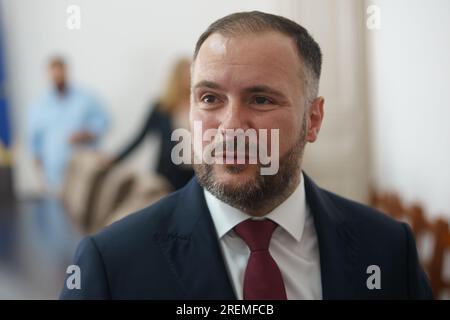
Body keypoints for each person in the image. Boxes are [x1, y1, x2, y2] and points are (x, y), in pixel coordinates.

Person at [60, 12, 432, 299]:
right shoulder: (112, 263)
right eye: (210, 99)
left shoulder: (386, 249)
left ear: (313, 119)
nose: (231, 126)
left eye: (261, 99)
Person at [27, 57, 109, 192]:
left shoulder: (86, 98)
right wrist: (39, 178)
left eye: (60, 72)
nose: (57, 76)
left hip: (85, 171)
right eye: (54, 73)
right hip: (54, 176)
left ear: (66, 71)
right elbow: (35, 144)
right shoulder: (38, 106)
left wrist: (88, 132)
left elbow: (104, 120)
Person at [111, 57, 194, 190]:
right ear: (176, 78)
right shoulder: (161, 108)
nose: (190, 78)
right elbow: (140, 137)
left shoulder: (203, 107)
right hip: (167, 176)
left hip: (195, 175)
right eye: (186, 74)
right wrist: (114, 159)